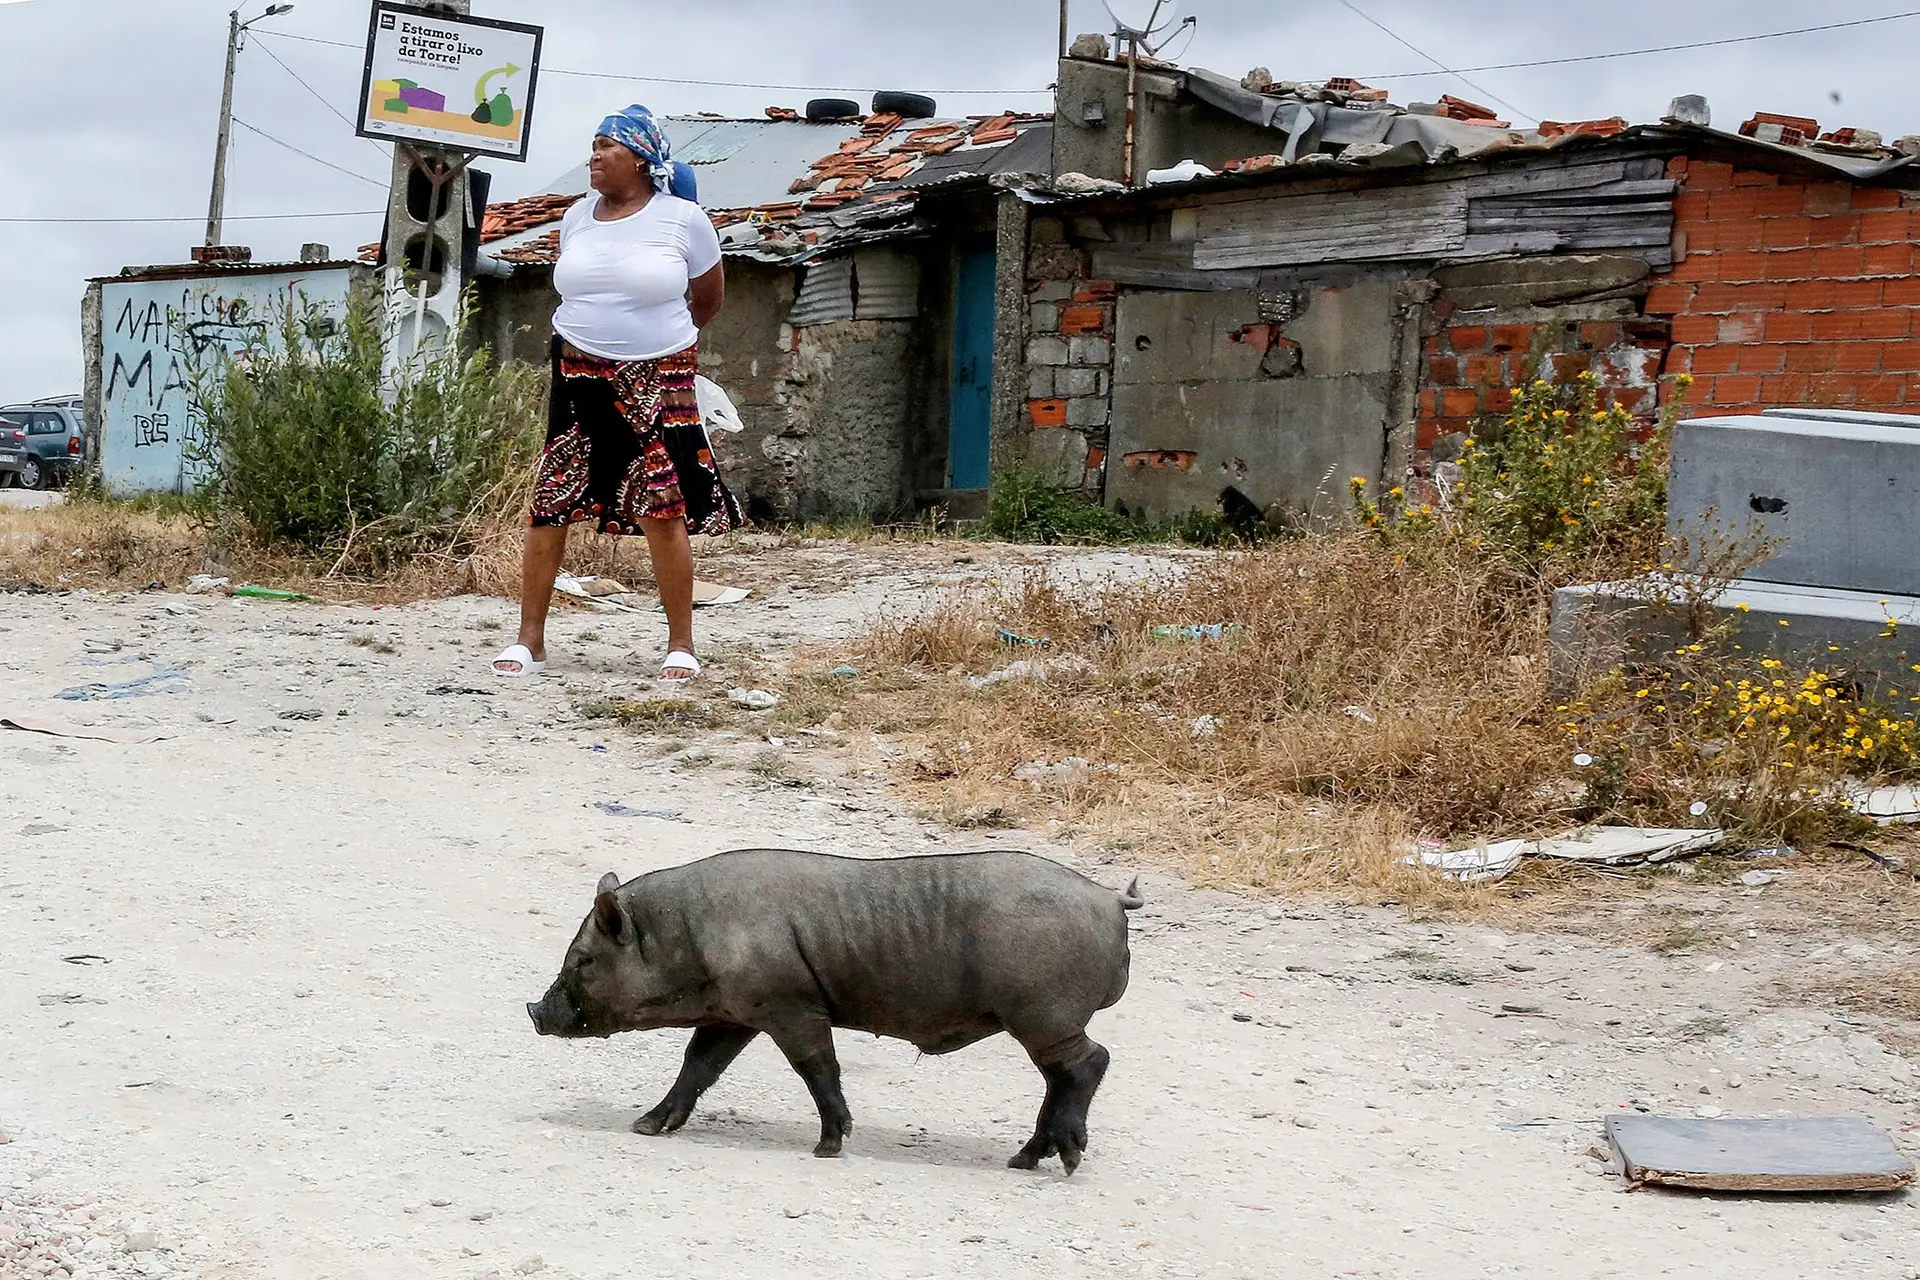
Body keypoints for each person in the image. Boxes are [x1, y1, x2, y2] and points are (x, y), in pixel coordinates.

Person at [491, 104, 743, 683]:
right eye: (594, 144)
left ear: (641, 158)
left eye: (607, 146)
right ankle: (531, 640)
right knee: (552, 498)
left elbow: (707, 299)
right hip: (578, 371)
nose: (594, 156)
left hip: (659, 372)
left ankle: (680, 642)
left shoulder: (683, 219)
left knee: (662, 502)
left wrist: (662, 341)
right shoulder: (578, 217)